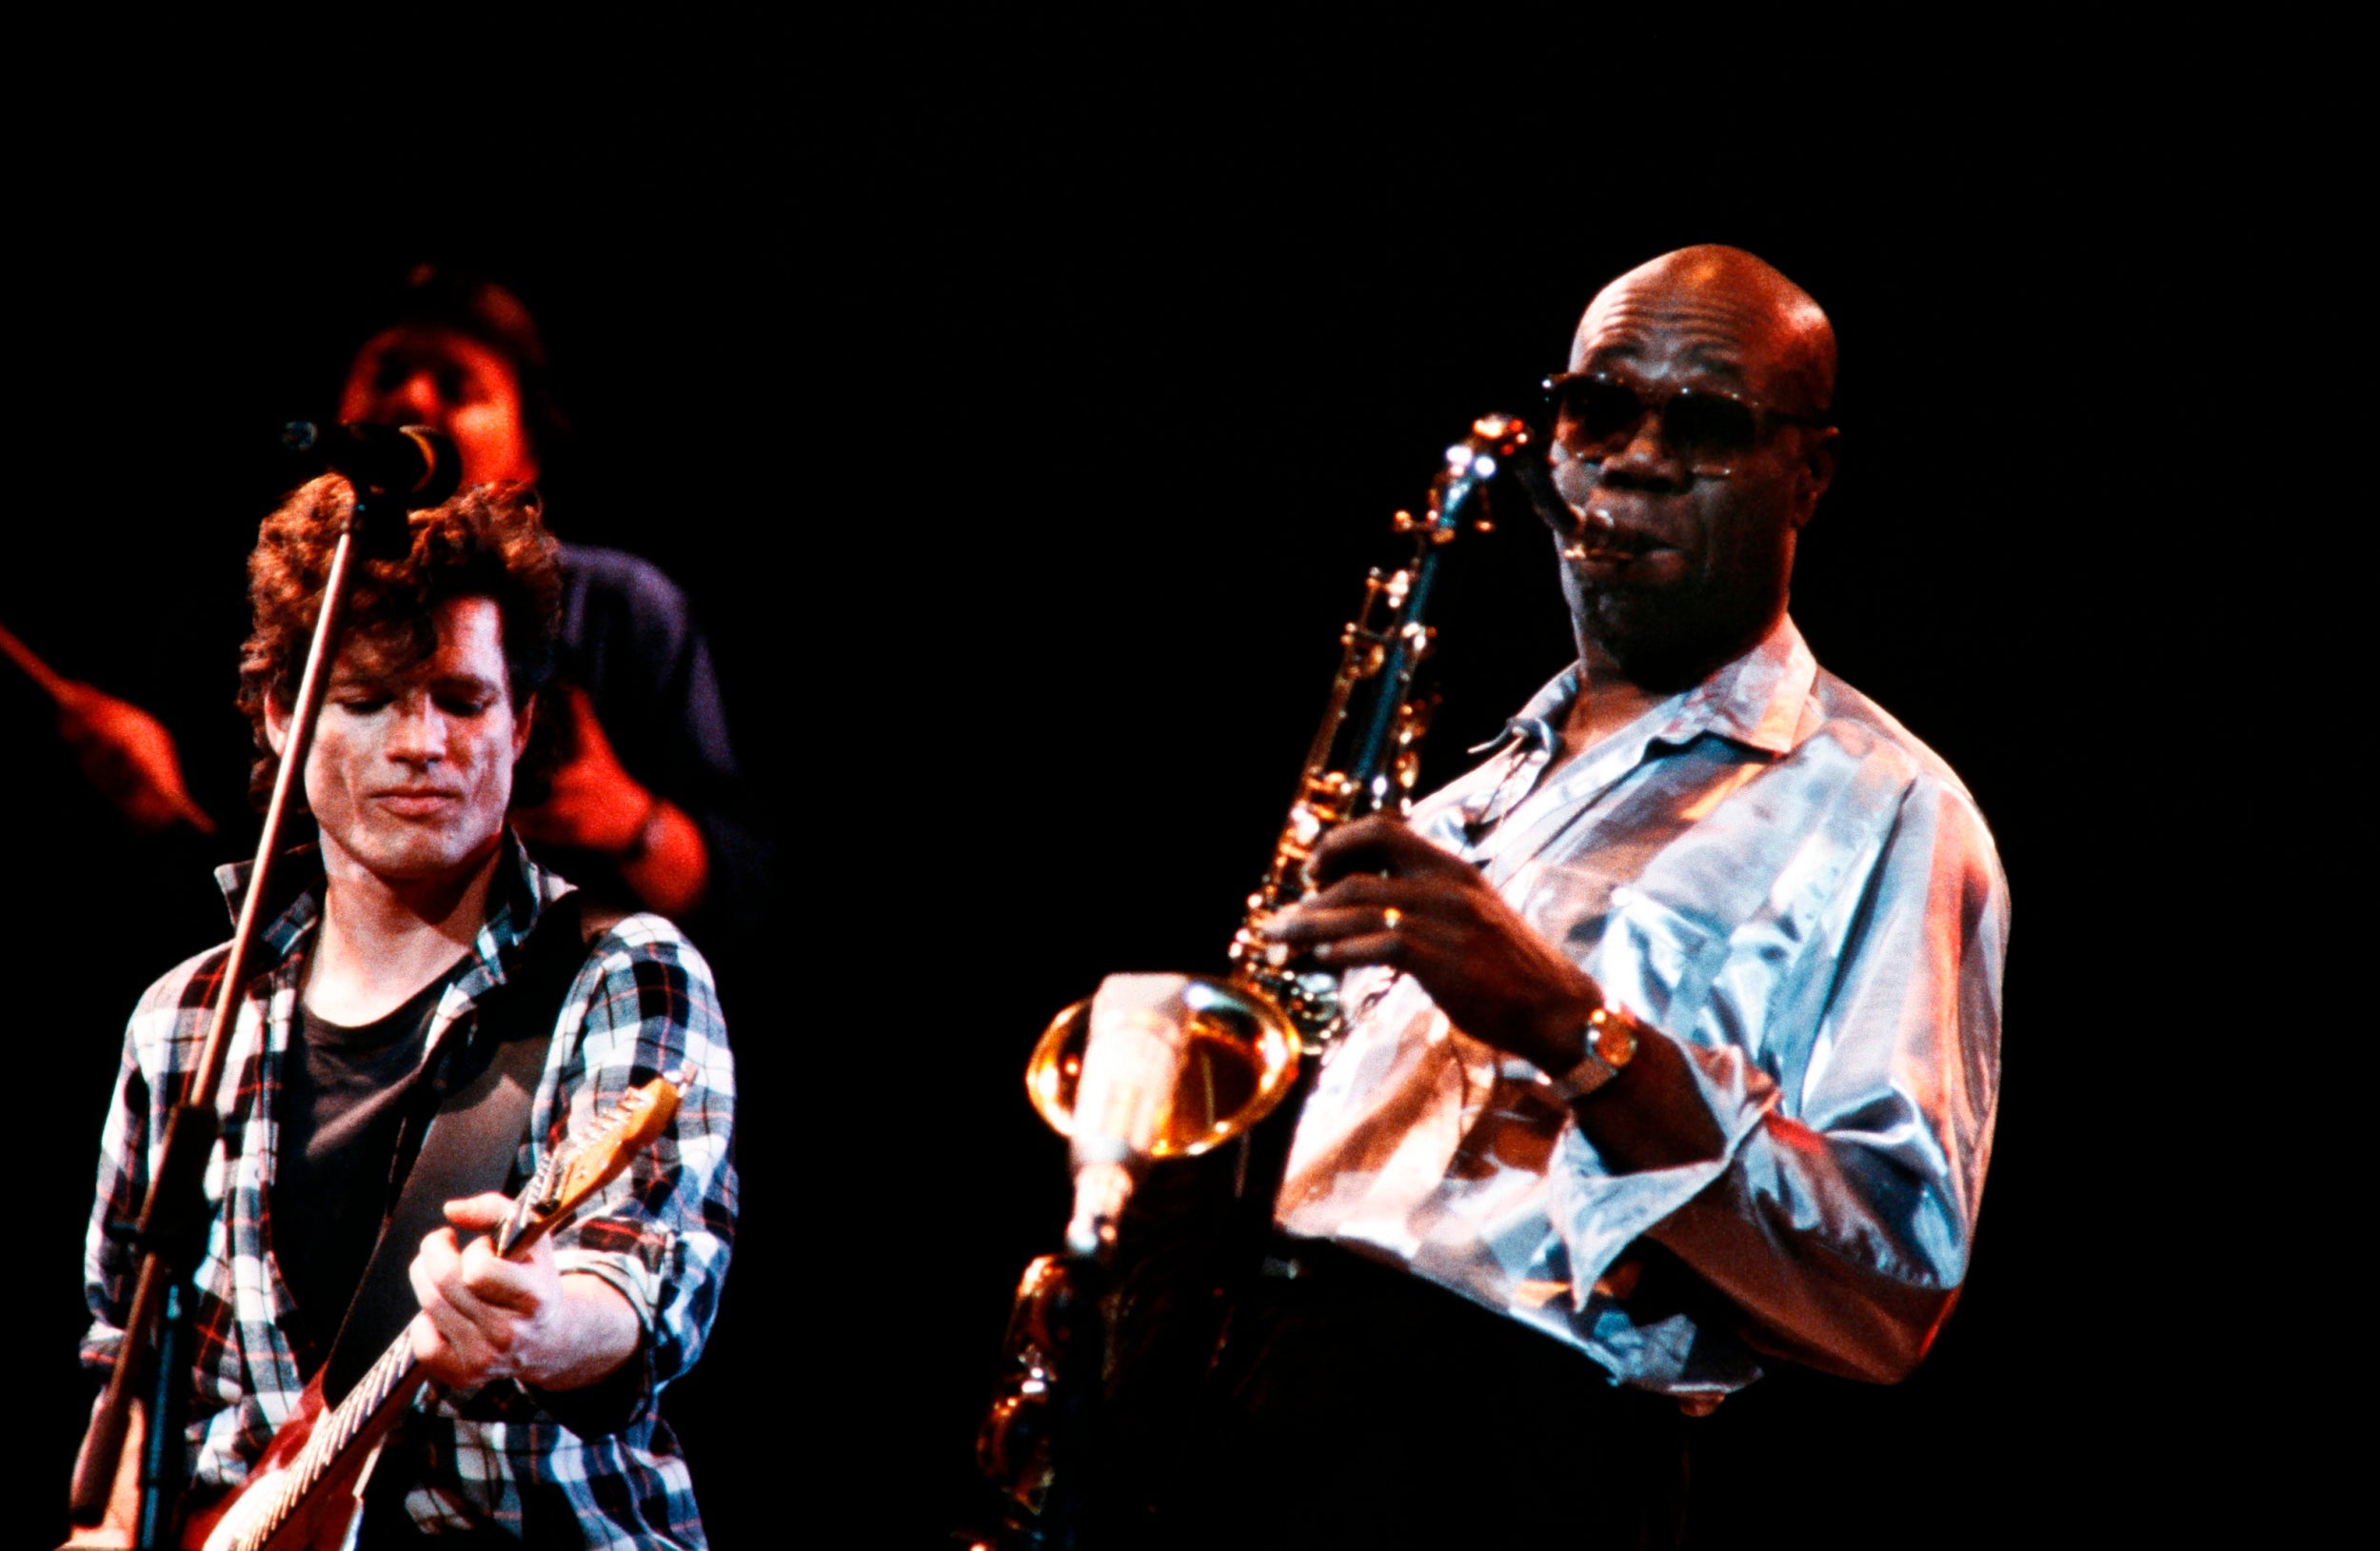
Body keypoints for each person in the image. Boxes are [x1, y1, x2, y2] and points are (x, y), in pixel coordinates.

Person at [1117, 246, 2008, 1546]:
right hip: (1234, 1405)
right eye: (1598, 410)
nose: (1634, 459)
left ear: (1807, 474)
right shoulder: (1446, 806)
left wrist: (1569, 1030)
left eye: (1703, 424)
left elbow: (1889, 1281)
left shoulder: (1887, 808)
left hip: (1493, 1450)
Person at [79, 478, 736, 1546]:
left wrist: (538, 1320)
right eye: (370, 700)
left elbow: (635, 1288)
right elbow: (136, 1364)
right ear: (284, 717)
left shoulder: (622, 974)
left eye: (461, 700)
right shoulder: (184, 1021)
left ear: (521, 722)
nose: (421, 742)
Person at [335, 266, 765, 943]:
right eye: (387, 374)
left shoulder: (623, 610)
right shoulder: (296, 607)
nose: (413, 399)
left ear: (527, 453)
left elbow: (744, 886)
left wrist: (625, 819)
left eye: (456, 385)